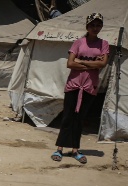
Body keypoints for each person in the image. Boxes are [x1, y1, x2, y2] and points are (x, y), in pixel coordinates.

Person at [51, 13, 109, 165]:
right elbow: (70, 63)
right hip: (74, 85)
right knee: (67, 117)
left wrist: (81, 61)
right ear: (87, 26)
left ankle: (75, 150)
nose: (95, 28)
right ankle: (59, 148)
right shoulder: (78, 42)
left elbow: (102, 64)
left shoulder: (104, 44)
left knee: (80, 119)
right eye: (92, 25)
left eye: (98, 25)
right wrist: (92, 63)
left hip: (90, 86)